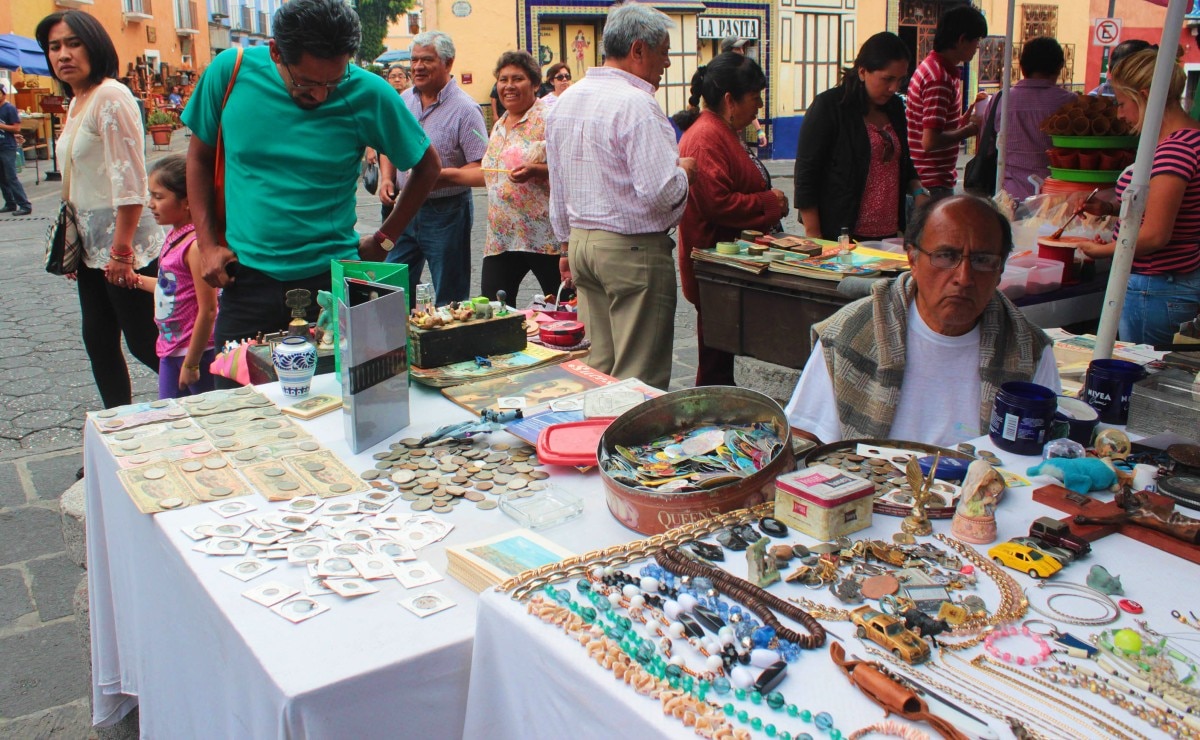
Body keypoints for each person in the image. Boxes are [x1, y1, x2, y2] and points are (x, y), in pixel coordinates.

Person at [182, 0, 439, 356]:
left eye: (334, 82)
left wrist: (384, 240)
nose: (319, 94)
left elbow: (428, 166)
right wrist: (207, 245)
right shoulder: (231, 72)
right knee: (239, 400)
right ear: (275, 52)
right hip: (246, 278)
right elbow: (198, 158)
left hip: (331, 282)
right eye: (306, 81)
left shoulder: (368, 92)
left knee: (337, 404)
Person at [785, 195, 1061, 447]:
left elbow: (1049, 452)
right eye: (946, 256)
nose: (963, 277)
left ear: (1000, 270)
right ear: (913, 260)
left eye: (982, 260)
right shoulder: (851, 332)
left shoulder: (1029, 351)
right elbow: (804, 438)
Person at [546, 1, 696, 391]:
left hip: (583, 244)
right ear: (638, 50)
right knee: (637, 377)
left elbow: (557, 184)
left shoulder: (568, 100)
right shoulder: (637, 104)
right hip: (631, 252)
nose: (666, 63)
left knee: (601, 366)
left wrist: (565, 245)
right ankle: (622, 449)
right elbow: (661, 193)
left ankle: (593, 444)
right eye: (663, 52)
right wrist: (684, 172)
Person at [37, 11, 162, 409]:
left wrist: (122, 252)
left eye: (73, 43)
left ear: (95, 46)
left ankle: (216, 397)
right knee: (99, 340)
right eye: (55, 47)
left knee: (146, 342)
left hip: (124, 248)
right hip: (93, 251)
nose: (63, 54)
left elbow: (131, 181)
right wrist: (79, 246)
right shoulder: (77, 102)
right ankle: (117, 430)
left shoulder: (110, 95)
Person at [676, 52, 787, 386]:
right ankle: (709, 419)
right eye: (755, 99)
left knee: (721, 354)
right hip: (715, 267)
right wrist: (770, 202)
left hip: (728, 266)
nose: (759, 107)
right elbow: (717, 203)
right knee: (715, 360)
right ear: (729, 99)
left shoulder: (722, 130)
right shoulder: (706, 135)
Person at [1077, 49, 1200, 347]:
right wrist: (1109, 208)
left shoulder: (1175, 149)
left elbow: (1156, 234)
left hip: (1156, 288)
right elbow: (1166, 205)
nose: (1119, 114)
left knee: (1141, 377)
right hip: (1171, 285)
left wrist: (1100, 252)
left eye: (1122, 103)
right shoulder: (1192, 137)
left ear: (1145, 95)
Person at [379, 30, 487, 304]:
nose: (417, 66)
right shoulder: (404, 101)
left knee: (449, 293)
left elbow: (482, 169)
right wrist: (387, 178)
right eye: (414, 60)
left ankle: (449, 344)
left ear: (448, 63)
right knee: (391, 285)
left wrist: (438, 177)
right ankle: (398, 343)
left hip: (447, 213)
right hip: (404, 209)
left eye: (426, 60)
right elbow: (389, 145)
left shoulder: (466, 109)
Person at [794, 32, 925, 242]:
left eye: (900, 80)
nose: (894, 88)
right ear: (863, 71)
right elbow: (806, 176)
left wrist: (918, 191)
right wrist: (814, 235)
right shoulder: (829, 107)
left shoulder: (895, 108)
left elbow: (903, 161)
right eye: (887, 79)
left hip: (889, 234)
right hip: (841, 234)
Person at [473, 51, 561, 307]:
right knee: (493, 308)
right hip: (502, 237)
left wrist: (537, 170)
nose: (508, 86)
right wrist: (441, 176)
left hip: (545, 238)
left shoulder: (549, 119)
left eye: (517, 79)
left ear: (535, 84)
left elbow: (569, 170)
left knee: (563, 309)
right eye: (503, 79)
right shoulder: (499, 124)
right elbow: (489, 173)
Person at [130, 154, 218, 398]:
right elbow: (170, 287)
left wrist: (192, 363)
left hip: (197, 352)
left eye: (159, 197)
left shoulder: (195, 246)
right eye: (150, 195)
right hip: (171, 349)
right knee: (170, 417)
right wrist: (135, 280)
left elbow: (209, 309)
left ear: (187, 202)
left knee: (205, 417)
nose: (150, 204)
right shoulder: (174, 236)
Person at [981, 37, 1076, 202]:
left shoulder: (1000, 100)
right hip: (1056, 198)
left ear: (1022, 66)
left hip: (1008, 196)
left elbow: (986, 148)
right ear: (1060, 66)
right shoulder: (1070, 103)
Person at [906, 5, 988, 197]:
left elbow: (940, 126)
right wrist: (969, 130)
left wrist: (967, 116)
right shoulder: (939, 78)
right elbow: (930, 141)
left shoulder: (937, 69)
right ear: (961, 40)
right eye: (976, 40)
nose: (977, 47)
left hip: (931, 179)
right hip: (933, 182)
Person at [366, 65, 412, 221]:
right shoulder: (383, 99)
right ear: (387, 80)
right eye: (393, 76)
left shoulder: (413, 99)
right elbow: (373, 126)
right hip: (387, 151)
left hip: (406, 152)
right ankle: (386, 225)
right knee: (389, 189)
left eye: (400, 76)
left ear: (407, 79)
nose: (397, 79)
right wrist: (370, 149)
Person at [0, 84, 32, 216]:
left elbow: (17, 128)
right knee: (1, 177)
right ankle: (10, 203)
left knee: (11, 176)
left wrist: (1, 125)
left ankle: (25, 205)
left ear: (3, 94)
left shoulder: (9, 109)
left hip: (7, 146)